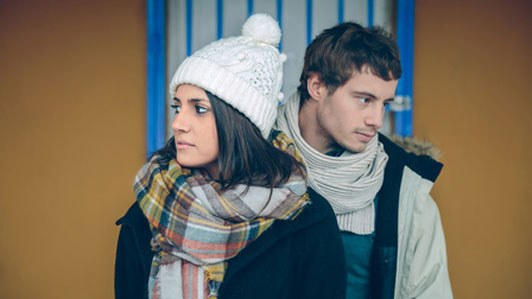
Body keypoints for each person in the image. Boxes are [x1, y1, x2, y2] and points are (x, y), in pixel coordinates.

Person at [114, 14, 346, 299]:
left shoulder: (306, 219)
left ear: (239, 121)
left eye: (198, 109)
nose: (178, 124)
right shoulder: (149, 211)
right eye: (178, 107)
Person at [275, 22, 453, 298]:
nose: (377, 120)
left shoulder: (405, 189)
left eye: (384, 103)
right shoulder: (249, 160)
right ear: (317, 86)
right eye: (364, 99)